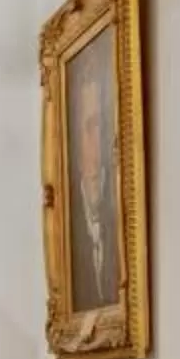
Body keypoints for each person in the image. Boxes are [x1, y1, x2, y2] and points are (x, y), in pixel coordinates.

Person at [68, 45, 122, 312]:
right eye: (90, 129)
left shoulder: (120, 215)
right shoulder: (70, 230)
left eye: (102, 127)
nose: (99, 147)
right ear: (75, 146)